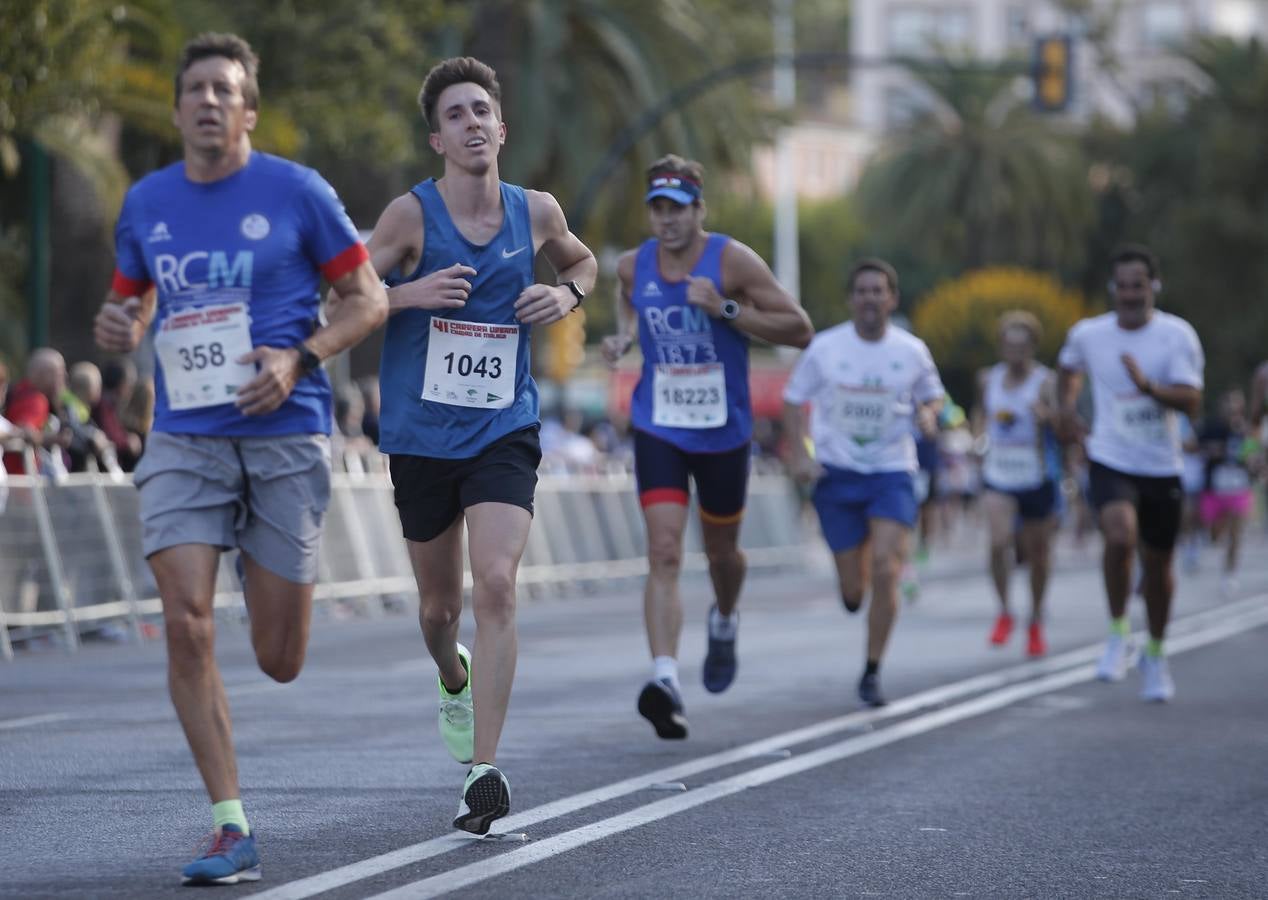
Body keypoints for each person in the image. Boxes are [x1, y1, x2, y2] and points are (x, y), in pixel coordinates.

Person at [92, 32, 387, 885]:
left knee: (278, 657)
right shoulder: (146, 201)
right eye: (196, 90)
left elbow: (367, 300)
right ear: (180, 109)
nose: (209, 101)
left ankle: (283, 588)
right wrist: (120, 326)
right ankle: (230, 824)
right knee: (184, 621)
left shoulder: (296, 192)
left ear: (247, 110)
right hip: (186, 435)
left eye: (225, 90)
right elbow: (127, 306)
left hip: (285, 431)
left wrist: (300, 356)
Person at [359, 56, 597, 834]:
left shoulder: (537, 212)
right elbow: (347, 299)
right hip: (422, 435)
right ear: (437, 138)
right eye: (455, 115)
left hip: (503, 427)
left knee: (495, 582)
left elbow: (585, 260)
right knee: (440, 608)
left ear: (502, 127)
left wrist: (566, 294)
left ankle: (482, 772)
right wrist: (407, 294)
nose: (470, 124)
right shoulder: (406, 217)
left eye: (480, 112)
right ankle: (449, 672)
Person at [601, 154, 813, 739]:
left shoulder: (731, 260)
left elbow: (799, 327)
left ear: (699, 209)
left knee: (722, 553)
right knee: (664, 551)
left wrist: (725, 308)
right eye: (657, 209)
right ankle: (665, 678)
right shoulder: (631, 265)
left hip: (722, 430)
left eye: (677, 208)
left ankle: (723, 617)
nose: (666, 220)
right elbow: (626, 300)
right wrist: (622, 337)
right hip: (660, 425)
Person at [783, 258, 943, 707]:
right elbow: (794, 401)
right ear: (851, 299)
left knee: (887, 568)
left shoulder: (911, 350)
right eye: (863, 291)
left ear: (892, 298)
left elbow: (933, 396)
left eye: (879, 291)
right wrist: (799, 454)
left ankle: (871, 671)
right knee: (854, 592)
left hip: (892, 471)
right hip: (837, 474)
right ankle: (858, 585)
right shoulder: (826, 348)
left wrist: (929, 415)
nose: (871, 299)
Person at [1056, 245, 1203, 702]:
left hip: (1161, 464)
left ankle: (1155, 652)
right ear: (1112, 289)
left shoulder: (1177, 335)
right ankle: (1118, 631)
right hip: (1109, 455)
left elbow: (1192, 401)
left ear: (1153, 286)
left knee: (1159, 567)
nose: (1130, 293)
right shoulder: (1089, 334)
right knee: (1119, 537)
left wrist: (1147, 388)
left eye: (1138, 284)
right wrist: (1065, 411)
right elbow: (1066, 370)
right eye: (1122, 285)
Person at [971, 311, 1060, 657]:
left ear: (1033, 347)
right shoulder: (986, 379)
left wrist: (1048, 417)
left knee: (1038, 555)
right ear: (1001, 347)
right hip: (999, 472)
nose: (1016, 353)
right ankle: (1005, 611)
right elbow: (980, 413)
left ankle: (1035, 618)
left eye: (1022, 347)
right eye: (1010, 346)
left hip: (1035, 473)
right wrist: (977, 437)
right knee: (997, 543)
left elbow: (1063, 424)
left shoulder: (1046, 382)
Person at [1197, 389, 1258, 596]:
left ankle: (1229, 573)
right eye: (1228, 403)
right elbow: (1195, 447)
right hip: (1215, 488)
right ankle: (1205, 542)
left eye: (1235, 404)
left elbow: (1253, 454)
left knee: (1236, 533)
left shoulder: (1247, 429)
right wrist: (1212, 451)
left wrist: (1252, 459)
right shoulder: (1211, 427)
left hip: (1239, 487)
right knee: (1215, 535)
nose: (1232, 408)